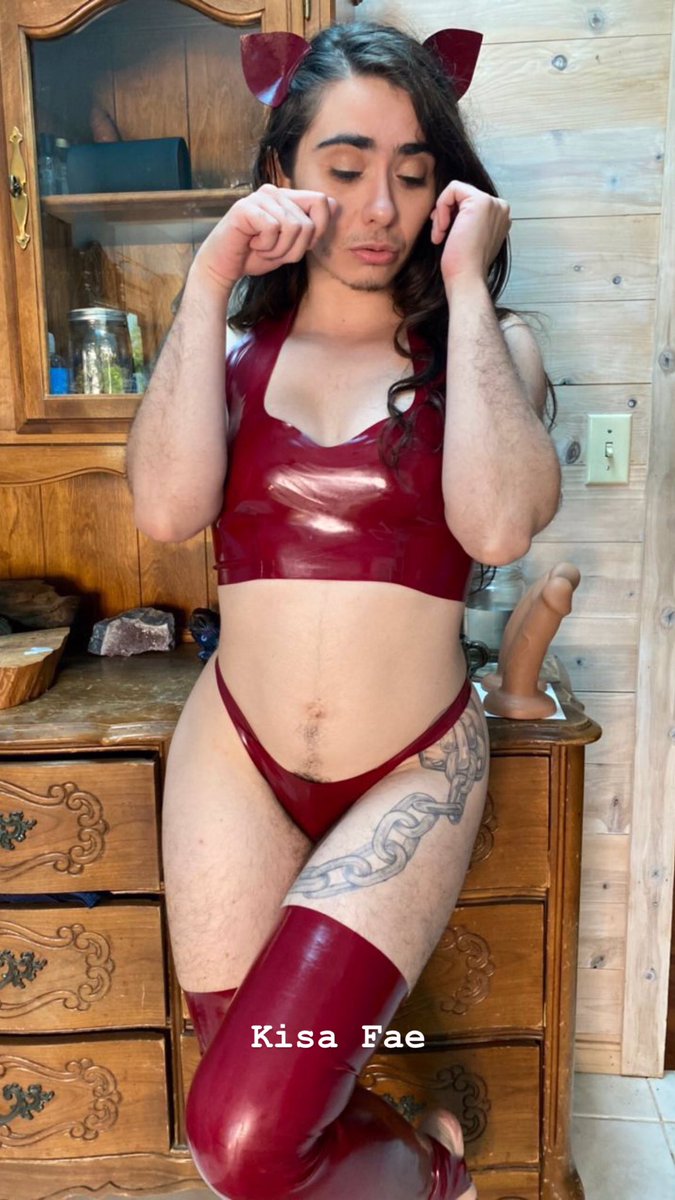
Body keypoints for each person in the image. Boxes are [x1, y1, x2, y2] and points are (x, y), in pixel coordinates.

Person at [126, 21, 562, 1200]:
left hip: (410, 768)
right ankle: (422, 1163)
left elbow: (500, 527)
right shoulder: (229, 350)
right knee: (264, 1103)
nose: (380, 207)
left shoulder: (491, 349)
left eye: (414, 174)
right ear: (283, 173)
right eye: (346, 164)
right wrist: (206, 277)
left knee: (244, 1143)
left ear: (449, 190)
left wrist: (465, 285)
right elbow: (165, 509)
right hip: (235, 756)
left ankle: (436, 1174)